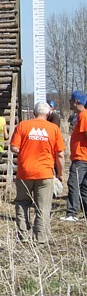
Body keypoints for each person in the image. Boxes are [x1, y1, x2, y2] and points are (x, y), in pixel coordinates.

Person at [10, 102, 64, 244]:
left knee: (22, 203)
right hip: (45, 173)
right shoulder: (54, 129)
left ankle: (23, 236)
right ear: (48, 114)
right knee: (43, 207)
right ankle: (40, 239)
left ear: (34, 112)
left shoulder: (23, 125)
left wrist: (25, 151)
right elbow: (60, 155)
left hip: (25, 172)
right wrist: (60, 174)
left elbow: (13, 147)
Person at [62, 91, 87, 222]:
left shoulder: (83, 115)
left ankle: (72, 213)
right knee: (83, 186)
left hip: (81, 157)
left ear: (76, 102)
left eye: (71, 100)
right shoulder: (82, 115)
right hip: (82, 157)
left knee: (74, 183)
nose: (70, 103)